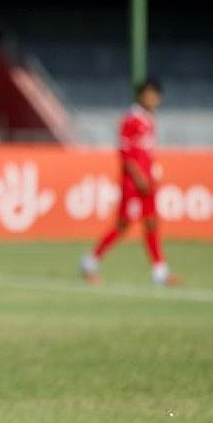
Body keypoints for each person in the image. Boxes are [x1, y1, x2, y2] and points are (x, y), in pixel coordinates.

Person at [80, 77, 182, 287]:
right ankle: (90, 262)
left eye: (156, 96)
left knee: (151, 223)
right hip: (133, 183)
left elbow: (146, 152)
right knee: (123, 225)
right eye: (149, 95)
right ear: (141, 96)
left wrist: (152, 173)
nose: (153, 100)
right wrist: (138, 177)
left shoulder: (149, 120)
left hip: (147, 182)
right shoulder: (130, 119)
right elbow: (125, 153)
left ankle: (160, 272)